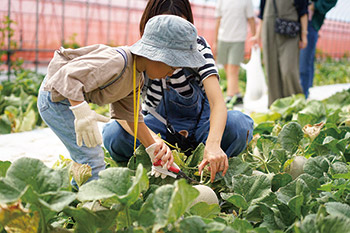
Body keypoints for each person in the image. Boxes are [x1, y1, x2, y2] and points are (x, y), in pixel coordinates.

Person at [37, 15, 207, 188]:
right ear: (156, 56)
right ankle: (93, 202)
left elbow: (132, 117)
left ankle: (79, 193)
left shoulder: (136, 76)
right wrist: (81, 112)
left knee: (87, 154)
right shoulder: (117, 62)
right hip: (55, 100)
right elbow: (67, 76)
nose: (172, 73)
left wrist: (153, 149)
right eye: (172, 66)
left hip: (70, 101)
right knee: (91, 157)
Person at [102, 0, 254, 183]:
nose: (172, 39)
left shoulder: (198, 48)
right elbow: (123, 113)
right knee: (113, 134)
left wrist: (213, 144)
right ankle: (150, 164)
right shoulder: (140, 54)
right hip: (158, 130)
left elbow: (217, 102)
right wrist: (152, 141)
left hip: (201, 128)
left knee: (239, 125)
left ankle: (207, 159)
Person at [256, 0, 308, 107]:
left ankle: (296, 104)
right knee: (272, 69)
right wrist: (257, 35)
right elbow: (262, 13)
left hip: (290, 32)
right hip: (269, 30)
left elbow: (303, 11)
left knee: (289, 70)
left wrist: (304, 35)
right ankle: (276, 107)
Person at [213, 0, 257, 105]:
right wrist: (215, 41)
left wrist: (254, 37)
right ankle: (237, 94)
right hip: (222, 38)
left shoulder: (247, 1)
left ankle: (230, 96)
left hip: (238, 39)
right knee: (227, 68)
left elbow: (251, 19)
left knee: (233, 68)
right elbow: (218, 20)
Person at [299, 0, 337, 99]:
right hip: (295, 23)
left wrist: (314, 6)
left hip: (310, 24)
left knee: (304, 64)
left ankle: (303, 97)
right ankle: (301, 94)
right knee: (302, 63)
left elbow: (331, 2)